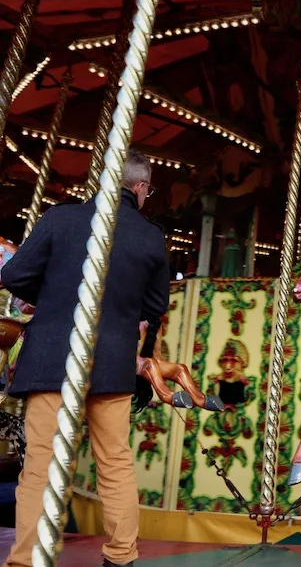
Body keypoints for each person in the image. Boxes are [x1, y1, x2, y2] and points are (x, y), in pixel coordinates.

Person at [0, 149, 169, 567]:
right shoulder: (150, 236)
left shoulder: (60, 219)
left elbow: (13, 275)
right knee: (114, 462)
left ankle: (26, 559)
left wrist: (58, 298)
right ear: (141, 187)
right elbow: (155, 304)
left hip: (54, 359)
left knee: (40, 463)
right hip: (111, 365)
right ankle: (120, 556)